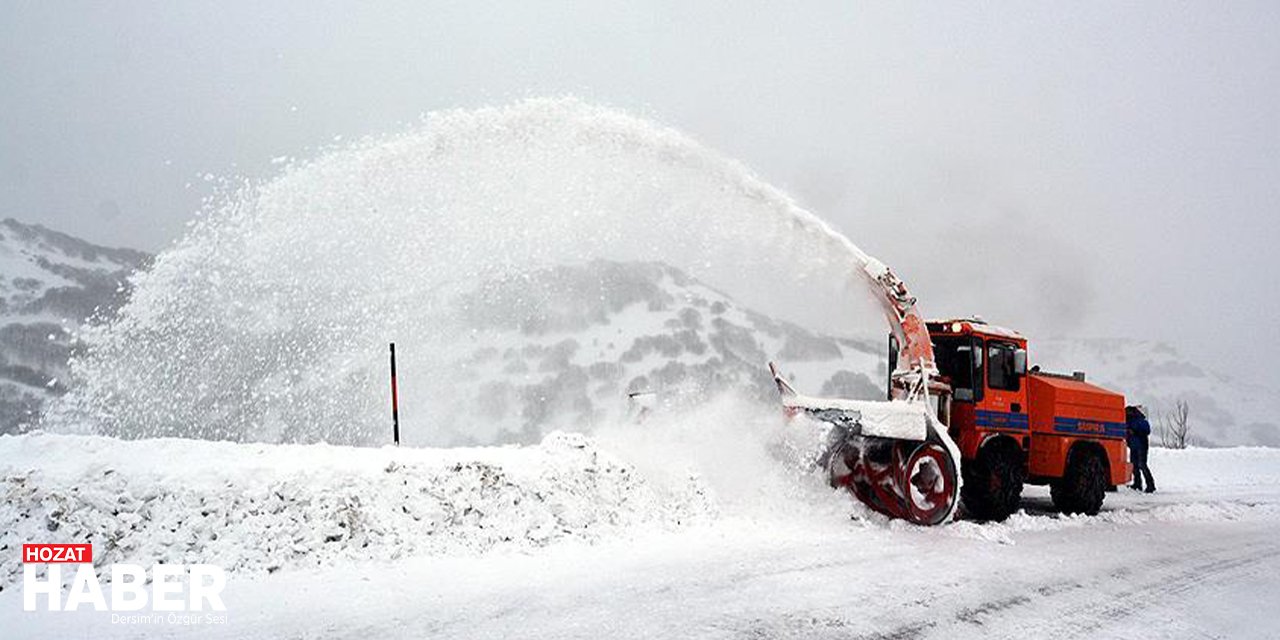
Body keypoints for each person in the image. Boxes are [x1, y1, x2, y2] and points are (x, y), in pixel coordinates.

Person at [1126, 405, 1156, 493]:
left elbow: (1146, 431)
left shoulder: (1140, 420)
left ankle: (1150, 485)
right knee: (1135, 465)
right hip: (1134, 445)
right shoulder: (1132, 420)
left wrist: (1134, 432)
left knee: (1142, 465)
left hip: (1141, 445)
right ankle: (1138, 483)